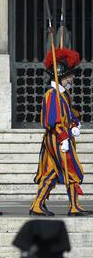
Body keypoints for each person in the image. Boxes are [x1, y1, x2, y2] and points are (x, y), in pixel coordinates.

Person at [30, 47, 89, 216]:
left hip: (60, 136)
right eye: (69, 75)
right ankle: (74, 206)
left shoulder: (63, 94)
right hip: (57, 138)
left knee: (51, 171)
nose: (72, 78)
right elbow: (52, 121)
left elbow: (69, 114)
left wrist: (74, 124)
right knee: (72, 168)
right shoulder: (52, 95)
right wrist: (64, 138)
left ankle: (37, 205)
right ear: (61, 76)